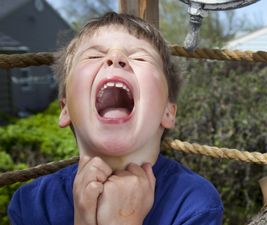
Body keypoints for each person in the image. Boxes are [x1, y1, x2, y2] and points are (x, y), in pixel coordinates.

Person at [8, 12, 223, 225]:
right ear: (65, 110)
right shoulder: (32, 205)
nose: (115, 57)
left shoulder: (194, 204)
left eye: (139, 57)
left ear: (168, 112)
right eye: (93, 56)